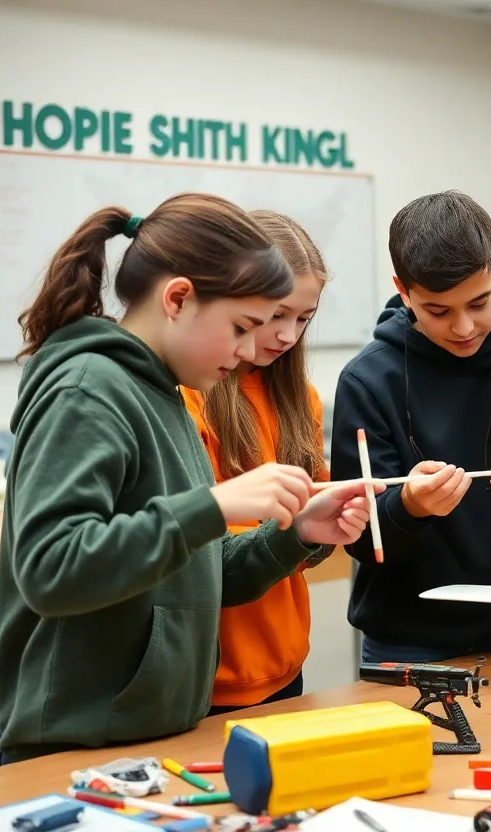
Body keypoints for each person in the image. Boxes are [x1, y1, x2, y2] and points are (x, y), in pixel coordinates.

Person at [0, 194, 379, 763]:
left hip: (155, 733)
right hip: (80, 744)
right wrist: (213, 505)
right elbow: (52, 569)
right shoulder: (86, 389)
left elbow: (205, 571)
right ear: (177, 298)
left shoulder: (164, 393)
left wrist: (295, 535)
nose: (252, 349)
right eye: (242, 327)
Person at [332, 190, 491, 664]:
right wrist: (408, 506)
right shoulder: (368, 380)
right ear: (402, 288)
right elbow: (359, 539)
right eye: (438, 311)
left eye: (479, 302)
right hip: (406, 642)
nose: (464, 327)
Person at [182, 210, 331, 714]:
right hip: (206, 672)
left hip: (282, 664)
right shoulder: (190, 397)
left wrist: (330, 525)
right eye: (277, 314)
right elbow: (206, 559)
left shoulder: (299, 398)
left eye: (304, 318)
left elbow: (308, 544)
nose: (288, 335)